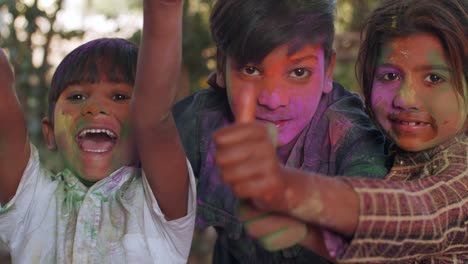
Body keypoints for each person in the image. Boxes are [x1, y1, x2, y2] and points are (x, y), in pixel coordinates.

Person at [216, 0, 468, 262]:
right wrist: (306, 234)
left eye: (434, 78)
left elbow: (420, 215)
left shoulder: (462, 174)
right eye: (390, 76)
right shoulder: (385, 150)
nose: (405, 99)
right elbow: (383, 249)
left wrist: (286, 187)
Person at [172, 0, 389, 262]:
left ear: (328, 70)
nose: (273, 100)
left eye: (298, 72)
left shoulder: (349, 134)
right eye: (251, 70)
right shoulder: (204, 119)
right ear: (221, 67)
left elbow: (378, 224)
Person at [0, 0, 196, 263]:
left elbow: (153, 117)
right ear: (49, 132)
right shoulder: (32, 204)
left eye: (118, 96)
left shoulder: (160, 205)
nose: (94, 108)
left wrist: (164, 7)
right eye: (78, 96)